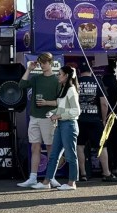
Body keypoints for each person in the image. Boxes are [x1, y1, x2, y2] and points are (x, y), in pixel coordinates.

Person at [17, 53, 61, 189]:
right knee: (34, 147)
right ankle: (32, 177)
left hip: (48, 118)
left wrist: (47, 102)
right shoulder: (36, 78)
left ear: (51, 63)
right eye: (40, 63)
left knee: (50, 148)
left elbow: (61, 102)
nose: (42, 65)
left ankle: (51, 177)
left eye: (44, 63)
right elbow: (21, 85)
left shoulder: (56, 80)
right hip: (34, 117)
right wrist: (29, 69)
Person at [46, 64, 80, 190]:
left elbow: (76, 111)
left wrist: (58, 115)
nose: (58, 76)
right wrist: (53, 113)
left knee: (70, 155)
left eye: (60, 74)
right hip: (62, 125)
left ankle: (72, 183)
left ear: (66, 76)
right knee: (54, 154)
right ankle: (46, 182)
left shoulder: (71, 90)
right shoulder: (64, 89)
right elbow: (62, 108)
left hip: (69, 125)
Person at [76, 64, 111, 182]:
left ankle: (83, 174)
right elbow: (104, 103)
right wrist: (104, 118)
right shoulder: (97, 81)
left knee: (79, 146)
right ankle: (106, 173)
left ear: (79, 71)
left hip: (79, 119)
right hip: (95, 120)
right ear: (91, 70)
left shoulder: (75, 82)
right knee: (101, 146)